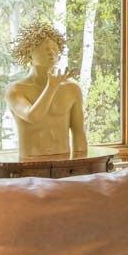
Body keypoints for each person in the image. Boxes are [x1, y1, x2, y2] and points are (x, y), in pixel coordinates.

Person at [6, 20, 87, 159]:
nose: (51, 53)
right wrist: (51, 87)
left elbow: (79, 134)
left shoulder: (72, 89)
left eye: (54, 48)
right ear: (29, 53)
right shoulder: (16, 90)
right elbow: (33, 116)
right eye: (45, 49)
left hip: (65, 166)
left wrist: (81, 167)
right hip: (29, 166)